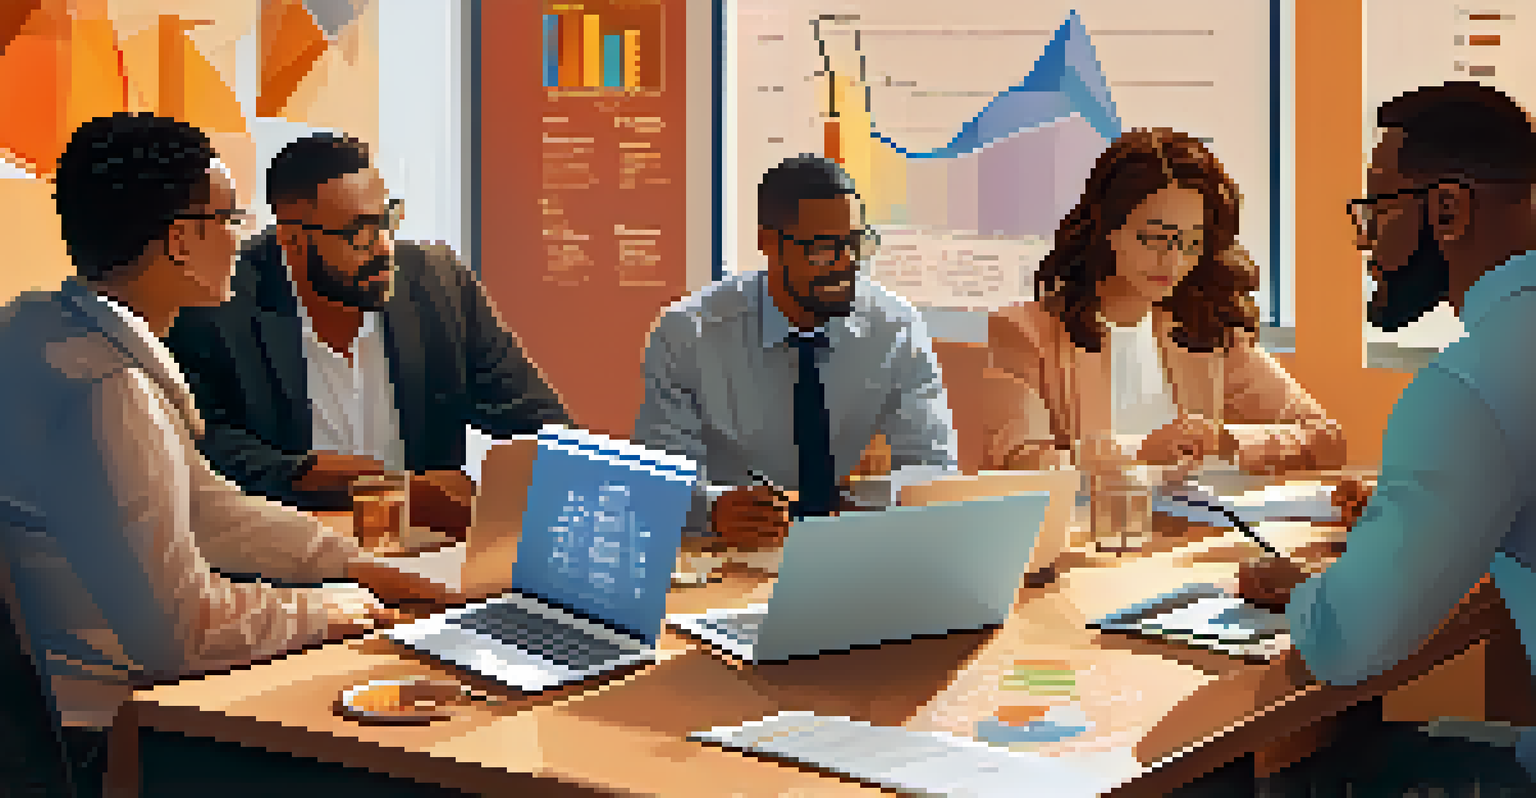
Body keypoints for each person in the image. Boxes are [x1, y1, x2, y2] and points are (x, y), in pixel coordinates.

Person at [0, 113, 452, 796]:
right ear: (181, 240)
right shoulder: (110, 394)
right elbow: (183, 631)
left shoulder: (40, 330)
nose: (243, 241)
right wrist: (339, 608)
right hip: (115, 744)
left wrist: (353, 563)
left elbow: (205, 507)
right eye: (230, 218)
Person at [1229, 81, 1536, 792]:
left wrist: (1310, 592)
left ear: (1449, 210)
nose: (1366, 244)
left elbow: (1347, 644)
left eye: (1375, 211)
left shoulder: (1469, 385)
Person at [166, 133, 570, 530]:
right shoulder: (217, 304)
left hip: (424, 555)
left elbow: (539, 423)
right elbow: (205, 448)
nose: (383, 248)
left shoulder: (440, 286)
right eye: (358, 232)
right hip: (287, 562)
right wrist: (378, 486)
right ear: (291, 240)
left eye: (387, 220)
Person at [634, 154, 958, 549]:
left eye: (855, 243)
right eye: (823, 248)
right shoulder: (688, 334)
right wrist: (713, 509)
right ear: (767, 242)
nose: (846, 263)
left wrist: (859, 504)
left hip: (846, 552)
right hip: (727, 556)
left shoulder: (895, 328)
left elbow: (934, 467)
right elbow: (656, 482)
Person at [984, 128, 1345, 477]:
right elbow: (1021, 465)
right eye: (1155, 239)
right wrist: (1137, 454)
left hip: (1191, 536)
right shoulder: (1024, 333)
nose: (1173, 264)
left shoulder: (1205, 331)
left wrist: (1226, 440)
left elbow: (1326, 439)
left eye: (1190, 244)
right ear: (1107, 228)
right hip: (1086, 536)